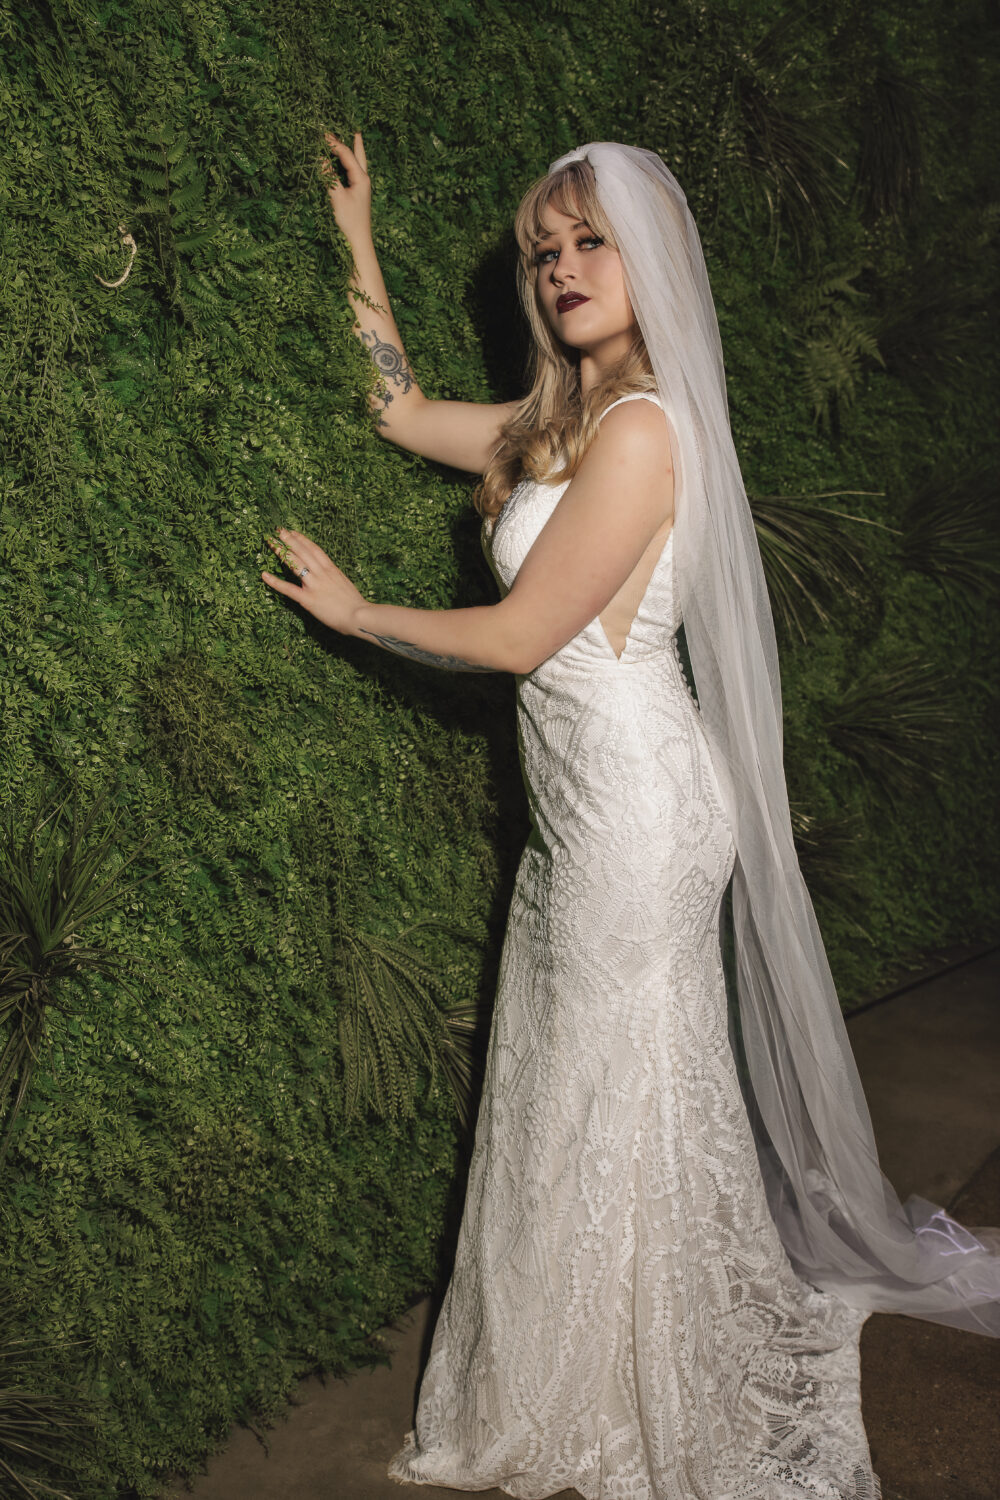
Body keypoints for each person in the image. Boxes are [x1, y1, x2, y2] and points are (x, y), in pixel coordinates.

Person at [261, 134, 1000, 1497]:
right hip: (580, 813)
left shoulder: (649, 430)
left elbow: (521, 635)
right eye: (546, 251)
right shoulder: (558, 423)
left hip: (643, 812)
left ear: (652, 262)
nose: (560, 270)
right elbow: (398, 411)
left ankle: (625, 1384)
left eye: (588, 242)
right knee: (575, 1082)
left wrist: (358, 610)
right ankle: (577, 1361)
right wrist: (357, 241)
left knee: (613, 1082)